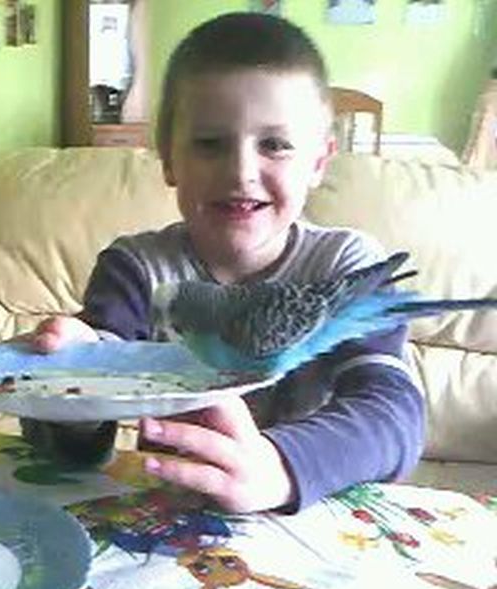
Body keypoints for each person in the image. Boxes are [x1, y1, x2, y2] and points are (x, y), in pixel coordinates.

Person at [24, 12, 424, 513]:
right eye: (210, 144)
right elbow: (72, 449)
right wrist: (67, 385)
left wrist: (279, 467)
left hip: (308, 521)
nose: (240, 172)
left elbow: (393, 413)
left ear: (319, 162)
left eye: (275, 145)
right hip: (169, 520)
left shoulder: (348, 265)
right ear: (169, 159)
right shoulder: (134, 269)